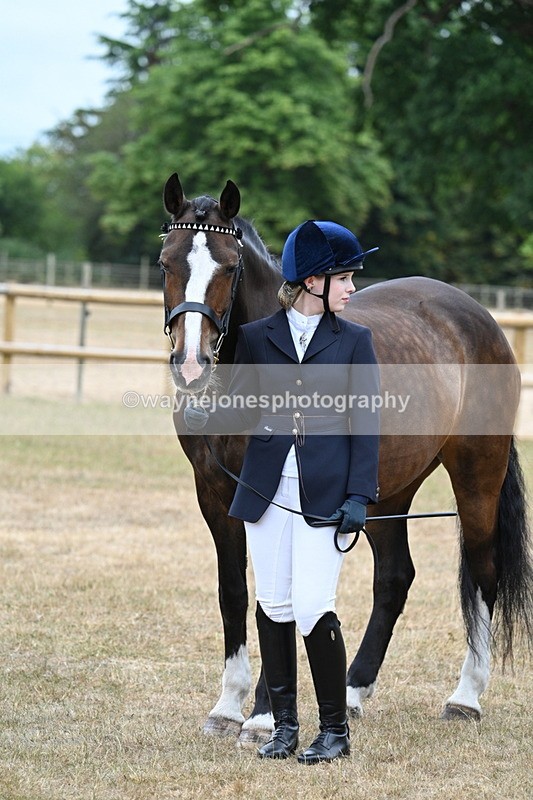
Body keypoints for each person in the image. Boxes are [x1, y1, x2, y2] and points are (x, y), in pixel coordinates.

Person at [184, 220, 380, 764]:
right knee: (273, 605)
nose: (352, 289)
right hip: (266, 493)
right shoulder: (253, 338)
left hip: (326, 497)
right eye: (345, 278)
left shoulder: (355, 341)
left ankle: (335, 731)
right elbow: (231, 399)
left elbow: (367, 427)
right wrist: (203, 405)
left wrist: (360, 497)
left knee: (316, 607)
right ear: (313, 281)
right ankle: (285, 727)